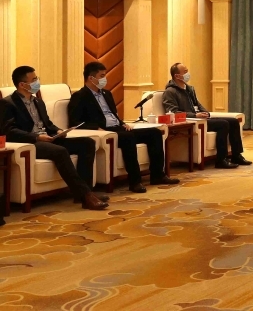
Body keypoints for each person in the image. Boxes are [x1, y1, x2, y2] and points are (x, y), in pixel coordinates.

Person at [2, 66, 108, 210]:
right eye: (34, 80)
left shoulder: (38, 102)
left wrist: (59, 131)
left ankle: (86, 191)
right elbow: (9, 131)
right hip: (31, 142)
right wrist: (37, 137)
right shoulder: (8, 103)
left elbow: (48, 124)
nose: (37, 82)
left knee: (87, 143)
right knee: (60, 151)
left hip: (48, 138)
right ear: (22, 84)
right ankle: (86, 196)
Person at [68, 62, 179, 192]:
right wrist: (96, 128)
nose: (105, 79)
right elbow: (74, 122)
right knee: (128, 137)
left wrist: (122, 123)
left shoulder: (107, 94)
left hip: (118, 128)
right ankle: (135, 181)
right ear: (91, 78)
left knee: (154, 133)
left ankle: (157, 175)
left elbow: (112, 114)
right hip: (104, 131)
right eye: (102, 76)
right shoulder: (80, 96)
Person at [162, 63, 251, 169]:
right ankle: (221, 160)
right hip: (192, 121)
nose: (188, 74)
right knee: (223, 124)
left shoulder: (189, 88)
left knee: (234, 121)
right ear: (177, 76)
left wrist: (206, 113)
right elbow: (173, 112)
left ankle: (236, 155)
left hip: (201, 118)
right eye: (185, 72)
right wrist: (195, 115)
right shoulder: (170, 92)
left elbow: (198, 104)